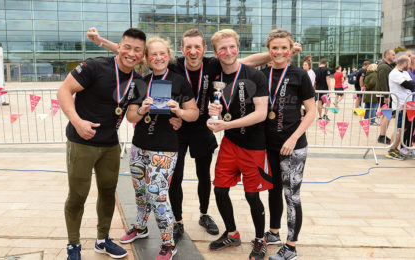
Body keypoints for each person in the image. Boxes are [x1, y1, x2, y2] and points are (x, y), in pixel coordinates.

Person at [86, 27, 292, 240]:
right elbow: (136, 55)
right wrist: (102, 41)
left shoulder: (212, 64)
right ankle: (178, 220)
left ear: (204, 49)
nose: (193, 52)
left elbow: (246, 60)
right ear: (182, 50)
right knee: (175, 178)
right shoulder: (173, 64)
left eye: (197, 47)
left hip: (203, 128)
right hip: (178, 127)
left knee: (205, 176)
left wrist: (277, 53)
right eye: (188, 48)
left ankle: (204, 214)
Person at [57, 28, 147, 260]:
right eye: (127, 47)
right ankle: (73, 244)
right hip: (82, 141)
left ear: (142, 54)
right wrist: (77, 122)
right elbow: (64, 91)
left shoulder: (138, 80)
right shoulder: (94, 66)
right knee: (78, 194)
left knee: (108, 193)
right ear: (119, 46)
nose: (131, 53)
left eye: (138, 50)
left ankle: (102, 239)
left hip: (110, 144)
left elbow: (130, 116)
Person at [119, 37, 199, 260]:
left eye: (162, 53)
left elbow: (193, 113)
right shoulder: (140, 82)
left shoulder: (179, 81)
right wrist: (143, 110)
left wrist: (179, 112)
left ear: (169, 55)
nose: (158, 58)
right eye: (153, 54)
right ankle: (141, 227)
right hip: (139, 148)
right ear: (146, 58)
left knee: (158, 196)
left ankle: (168, 243)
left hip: (165, 149)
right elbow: (130, 116)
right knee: (141, 193)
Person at [206, 29, 271, 260]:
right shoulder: (215, 77)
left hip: (253, 145)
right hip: (230, 143)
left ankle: (261, 240)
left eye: (232, 47)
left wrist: (227, 126)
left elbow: (261, 114)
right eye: (222, 48)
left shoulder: (255, 76)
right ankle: (232, 234)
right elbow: (220, 108)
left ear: (238, 47)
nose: (228, 52)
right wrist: (214, 114)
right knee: (220, 189)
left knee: (253, 196)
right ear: (215, 52)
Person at [261, 29, 316, 260]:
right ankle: (274, 232)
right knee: (273, 190)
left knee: (291, 196)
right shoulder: (262, 74)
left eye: (284, 47)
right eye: (275, 47)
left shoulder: (299, 75)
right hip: (269, 144)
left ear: (291, 49)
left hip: (293, 146)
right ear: (269, 50)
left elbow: (313, 111)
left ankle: (291, 246)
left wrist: (293, 138)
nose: (280, 52)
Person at [386, 55, 415, 160]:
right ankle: (391, 150)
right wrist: (411, 83)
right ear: (405, 63)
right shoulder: (394, 73)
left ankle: (395, 148)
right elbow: (410, 85)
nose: (410, 66)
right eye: (409, 63)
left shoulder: (405, 73)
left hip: (408, 105)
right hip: (400, 105)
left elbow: (411, 83)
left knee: (404, 128)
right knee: (399, 128)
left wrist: (411, 83)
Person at [376, 49, 396, 144]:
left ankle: (382, 134)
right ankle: (382, 135)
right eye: (392, 55)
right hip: (386, 95)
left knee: (386, 115)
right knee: (387, 115)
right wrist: (386, 96)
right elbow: (383, 82)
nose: (394, 56)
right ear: (386, 55)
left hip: (386, 94)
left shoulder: (386, 66)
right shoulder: (384, 67)